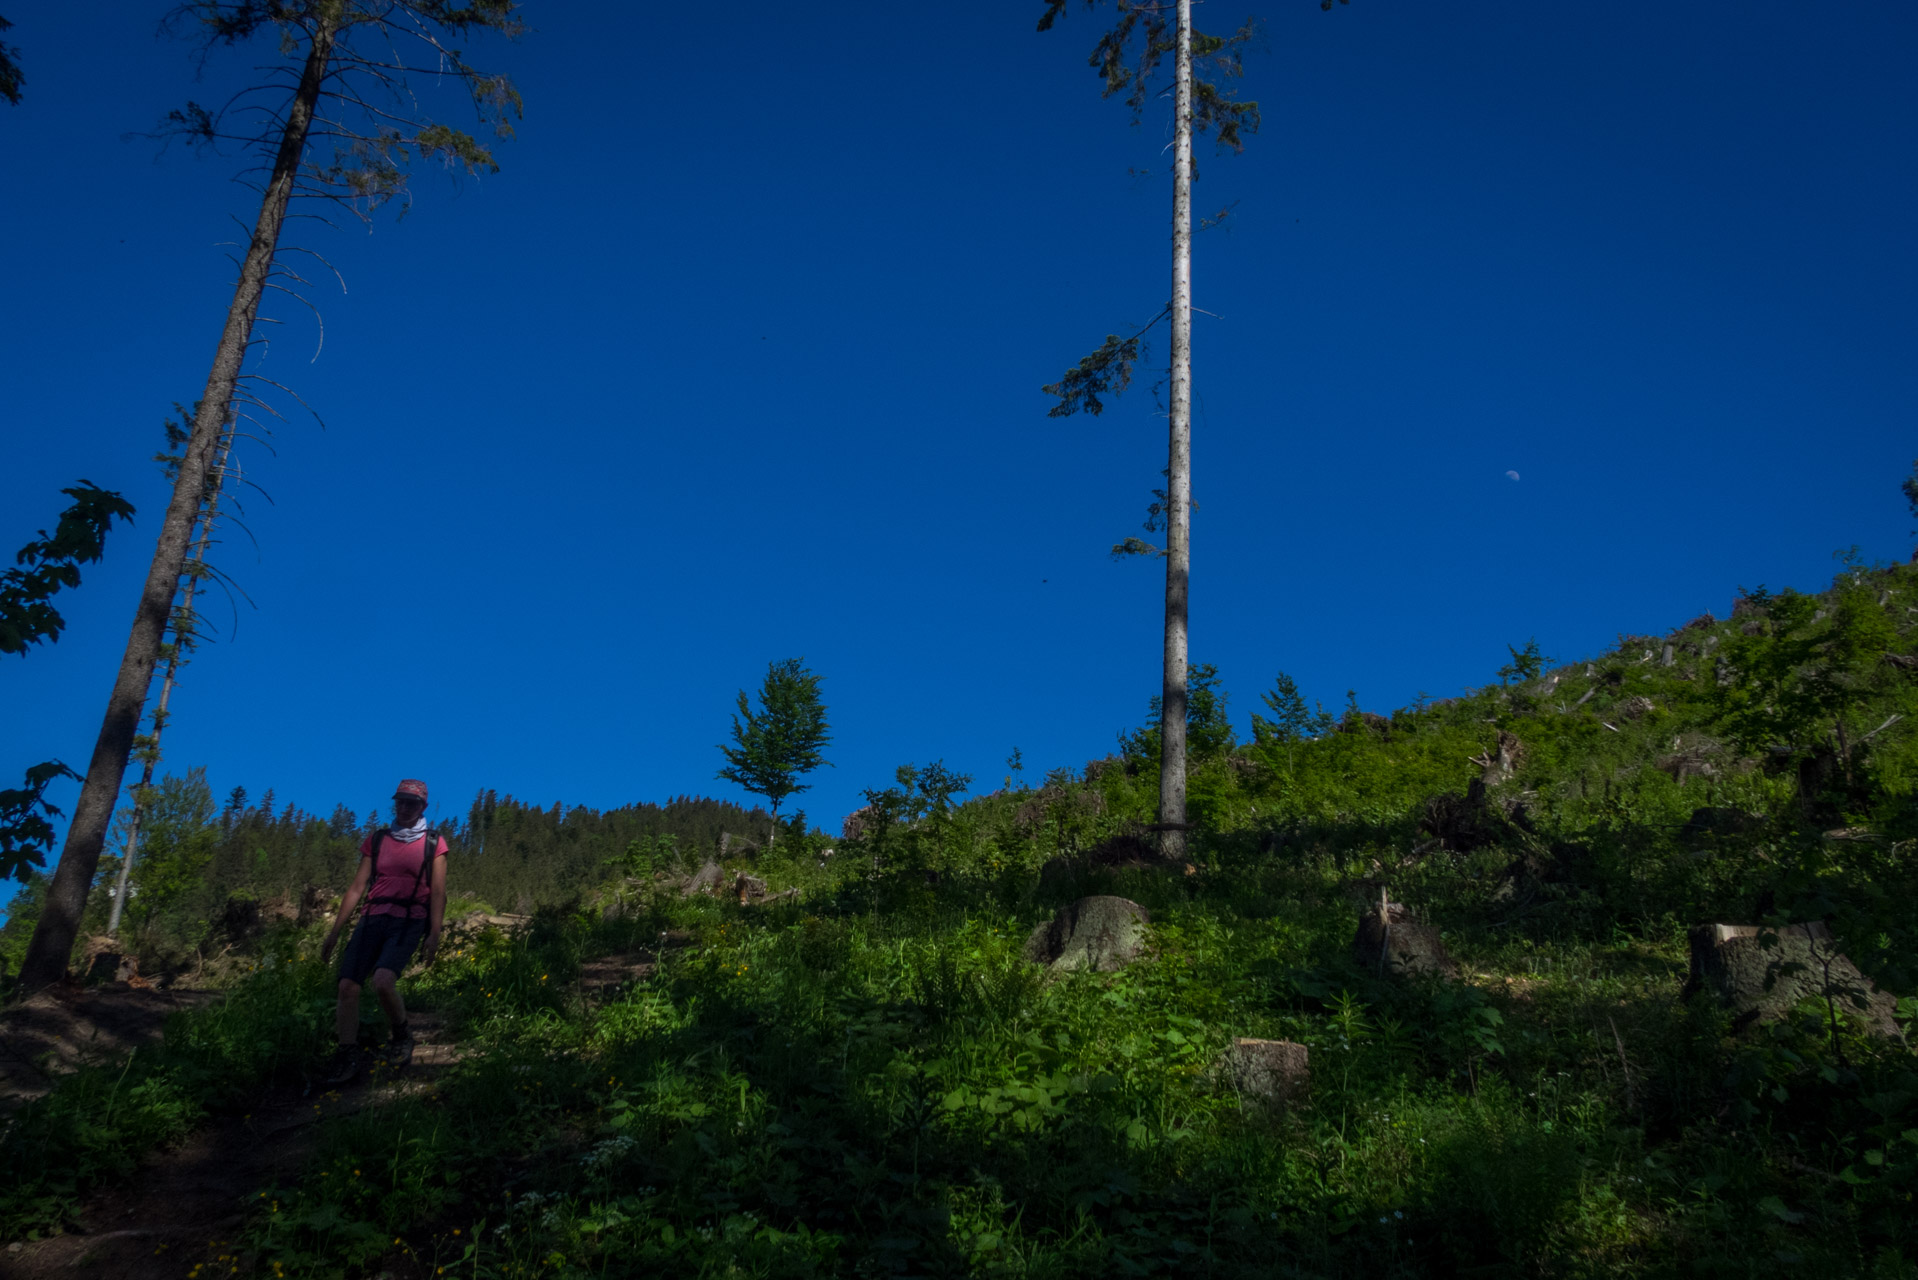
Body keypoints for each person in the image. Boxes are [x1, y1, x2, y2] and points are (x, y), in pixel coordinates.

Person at [318, 778, 448, 1084]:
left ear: (422, 807)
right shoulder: (377, 840)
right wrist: (335, 931)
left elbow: (438, 892)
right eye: (400, 802)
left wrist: (434, 934)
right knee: (347, 986)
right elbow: (356, 888)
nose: (404, 808)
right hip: (372, 918)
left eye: (411, 804)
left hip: (408, 920)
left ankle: (401, 1034)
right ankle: (347, 1051)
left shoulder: (434, 844)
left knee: (383, 981)